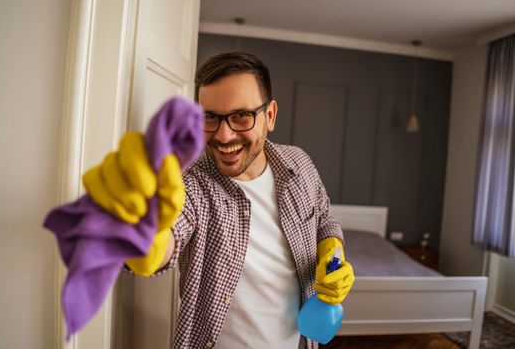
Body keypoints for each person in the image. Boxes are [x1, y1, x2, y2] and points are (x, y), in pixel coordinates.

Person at [85, 52, 354, 349]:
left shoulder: (299, 164)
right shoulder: (190, 180)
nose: (223, 136)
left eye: (241, 116)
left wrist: (332, 248)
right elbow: (168, 236)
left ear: (270, 116)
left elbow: (324, 218)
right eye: (210, 117)